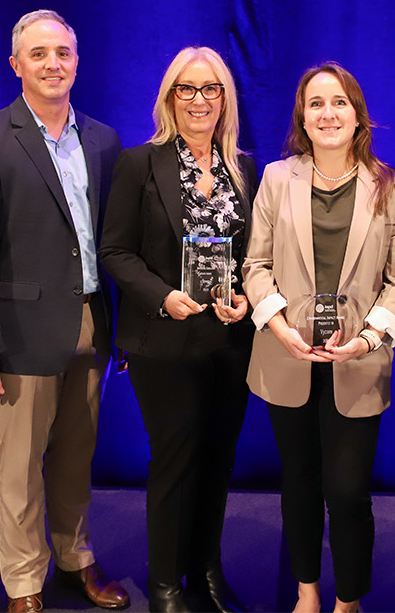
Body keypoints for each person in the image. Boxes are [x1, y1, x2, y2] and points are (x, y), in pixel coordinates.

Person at [0, 10, 127, 613]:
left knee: (76, 458)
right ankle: (24, 584)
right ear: (16, 65)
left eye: (64, 53)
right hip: (21, 334)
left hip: (92, 323)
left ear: (78, 61)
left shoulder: (101, 139)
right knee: (21, 469)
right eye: (39, 53)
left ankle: (75, 560)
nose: (53, 64)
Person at [243, 62, 395, 613]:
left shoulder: (393, 186)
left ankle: (349, 600)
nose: (328, 113)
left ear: (357, 113)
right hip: (285, 355)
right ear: (302, 116)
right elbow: (256, 265)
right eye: (316, 103)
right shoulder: (276, 178)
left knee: (345, 491)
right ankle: (307, 593)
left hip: (357, 360)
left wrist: (367, 339)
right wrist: (278, 325)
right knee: (298, 482)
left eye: (339, 102)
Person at [99, 46, 257, 613]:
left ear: (224, 98)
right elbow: (114, 251)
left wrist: (244, 295)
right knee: (174, 459)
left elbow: (251, 256)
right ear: (170, 98)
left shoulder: (243, 168)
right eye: (186, 89)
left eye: (209, 88)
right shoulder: (141, 163)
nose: (198, 99)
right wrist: (164, 296)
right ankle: (165, 581)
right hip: (163, 341)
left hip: (230, 340)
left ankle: (206, 574)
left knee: (219, 459)